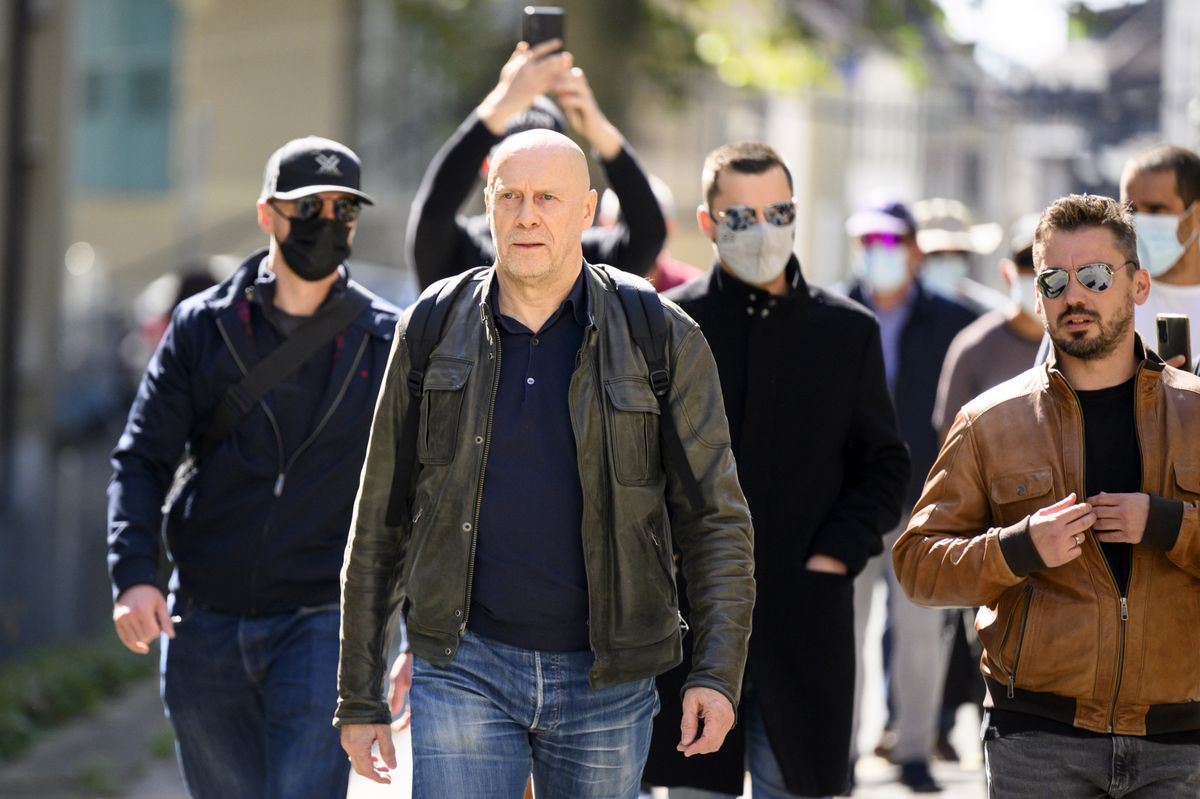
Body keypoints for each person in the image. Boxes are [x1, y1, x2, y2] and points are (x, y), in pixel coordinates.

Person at [336, 129, 755, 799]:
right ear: (490, 206)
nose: (527, 215)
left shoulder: (660, 333)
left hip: (609, 679)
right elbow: (379, 519)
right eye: (511, 197)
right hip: (463, 665)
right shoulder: (431, 328)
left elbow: (717, 519)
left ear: (587, 210)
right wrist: (358, 695)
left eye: (547, 198)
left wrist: (715, 672)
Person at [107, 136, 400, 799]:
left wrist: (400, 631)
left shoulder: (386, 341)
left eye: (343, 211)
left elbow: (414, 497)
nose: (328, 225)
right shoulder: (201, 330)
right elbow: (142, 459)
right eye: (309, 209)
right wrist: (133, 576)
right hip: (203, 620)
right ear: (268, 214)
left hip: (324, 619)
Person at [894, 193, 1200, 797]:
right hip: (1037, 740)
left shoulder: (1195, 412)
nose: (1073, 296)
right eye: (1054, 280)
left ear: (1138, 286)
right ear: (1037, 296)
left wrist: (1167, 524)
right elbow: (918, 566)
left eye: (1093, 276)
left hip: (1180, 744)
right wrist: (1016, 548)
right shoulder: (988, 422)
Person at [640, 142, 910, 798]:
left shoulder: (846, 331)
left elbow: (883, 467)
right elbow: (633, 464)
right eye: (741, 216)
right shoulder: (671, 327)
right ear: (708, 224)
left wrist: (835, 556)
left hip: (805, 623)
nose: (762, 229)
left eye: (777, 211)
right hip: (691, 626)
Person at [844, 196, 978, 793]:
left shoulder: (952, 320)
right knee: (842, 632)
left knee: (922, 636)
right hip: (847, 503)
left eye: (893, 243)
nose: (882, 255)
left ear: (915, 249)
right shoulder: (833, 310)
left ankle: (916, 750)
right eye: (871, 243)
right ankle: (839, 755)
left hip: (925, 502)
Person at [406, 39, 665, 288]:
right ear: (488, 171)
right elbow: (432, 215)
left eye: (546, 194)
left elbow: (648, 233)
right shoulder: (459, 255)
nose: (528, 218)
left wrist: (598, 129)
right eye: (511, 191)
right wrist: (498, 106)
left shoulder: (591, 260)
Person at [933, 212, 1045, 438]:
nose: (1038, 273)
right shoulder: (972, 347)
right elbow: (952, 446)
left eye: (1048, 263)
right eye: (1028, 262)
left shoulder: (1082, 344)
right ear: (1007, 272)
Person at [1120, 144, 1200, 370]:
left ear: (1197, 214)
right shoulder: (1105, 297)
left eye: (1156, 210)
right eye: (1129, 210)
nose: (1139, 221)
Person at [598, 174, 704, 291]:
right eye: (625, 224)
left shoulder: (693, 289)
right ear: (603, 226)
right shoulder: (586, 290)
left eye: (649, 226)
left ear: (669, 227)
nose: (637, 241)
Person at [913, 197, 1007, 313]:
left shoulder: (992, 312)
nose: (948, 264)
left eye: (959, 254)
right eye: (937, 255)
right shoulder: (896, 313)